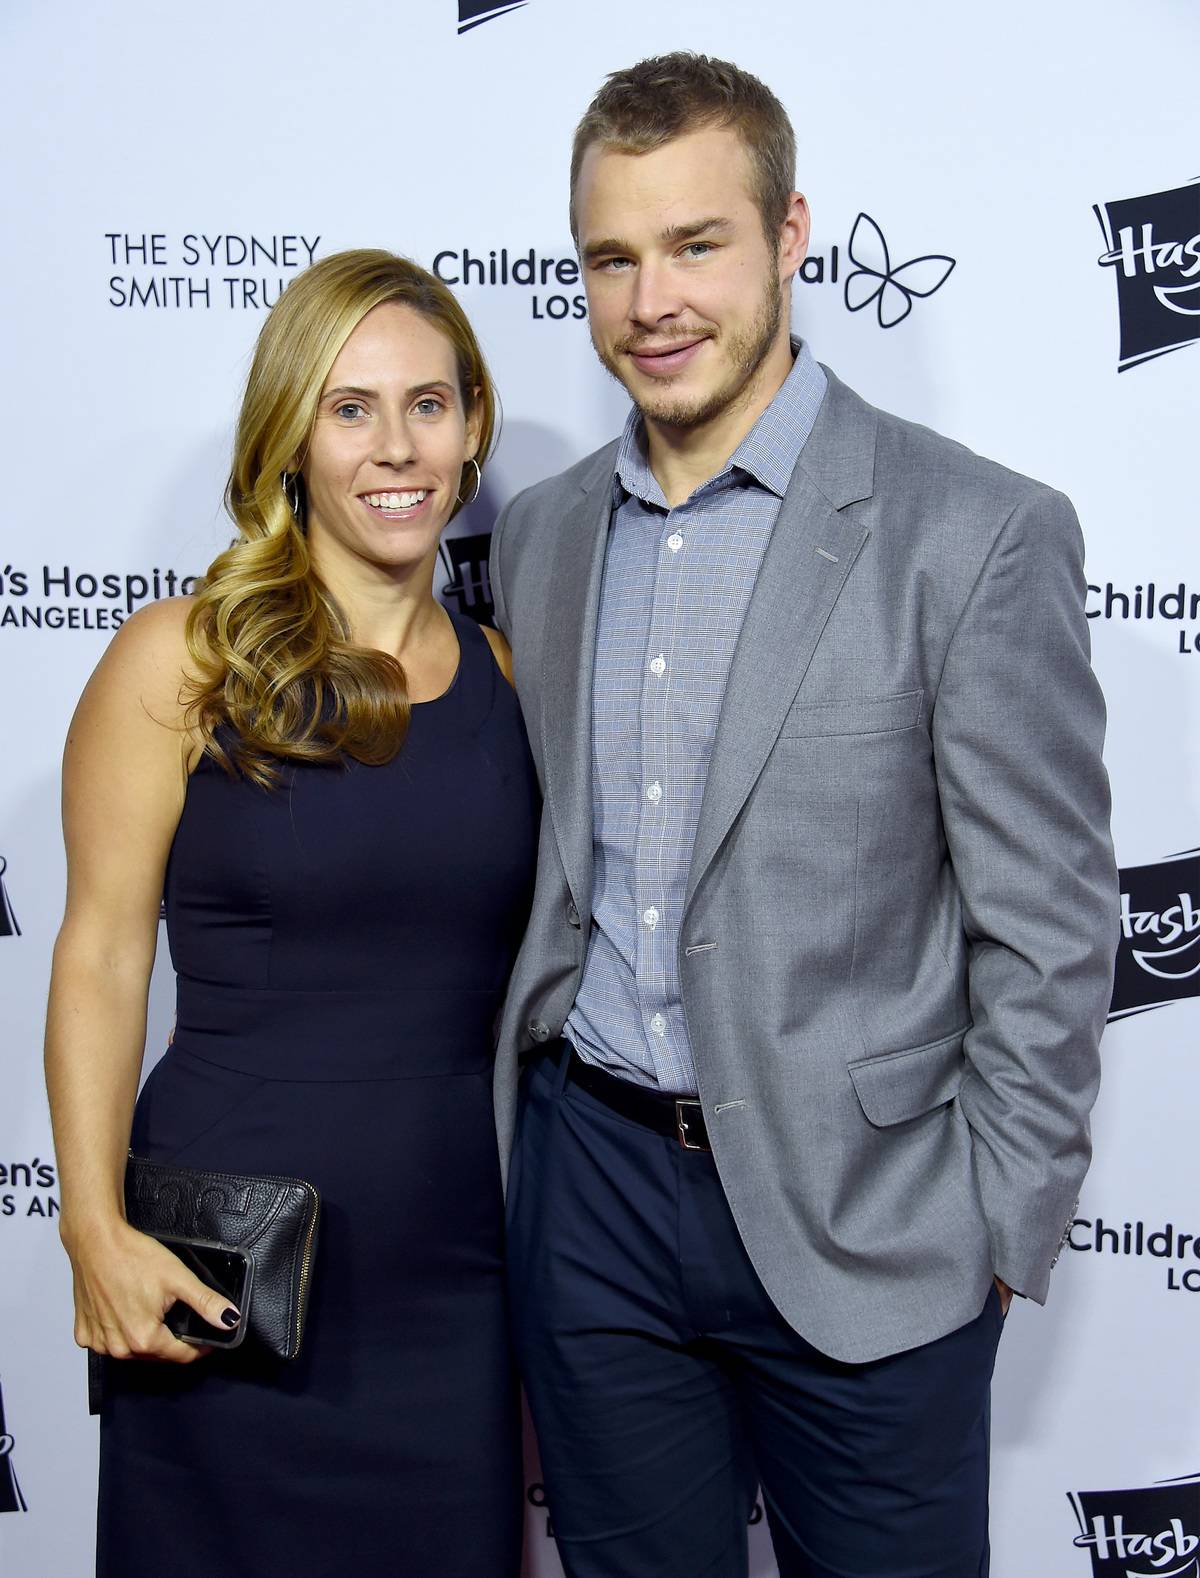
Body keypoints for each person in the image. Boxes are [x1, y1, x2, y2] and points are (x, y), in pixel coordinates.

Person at [490, 53, 1119, 1578]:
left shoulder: (973, 532)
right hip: (596, 1205)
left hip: (872, 1220)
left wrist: (994, 1227)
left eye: (697, 244)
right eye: (613, 257)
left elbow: (1050, 917)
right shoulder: (545, 532)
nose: (653, 300)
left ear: (791, 238)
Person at [44, 249, 537, 1578]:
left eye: (427, 404)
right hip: (226, 1269)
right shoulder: (181, 657)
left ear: (473, 422)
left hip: (456, 1275)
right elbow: (96, 956)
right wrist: (92, 1226)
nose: (396, 447)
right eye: (351, 407)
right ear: (293, 436)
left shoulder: (497, 669)